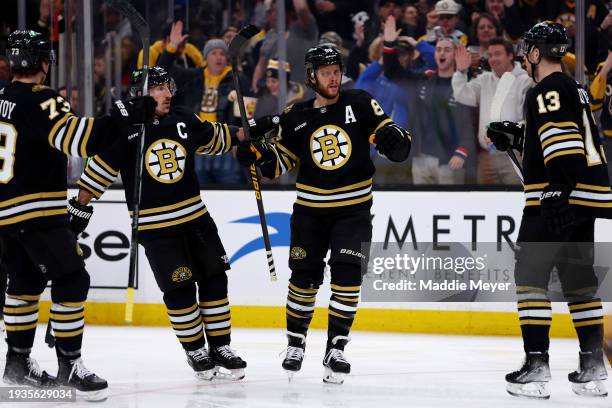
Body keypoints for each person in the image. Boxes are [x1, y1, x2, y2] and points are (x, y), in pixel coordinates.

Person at [236, 45, 411, 384]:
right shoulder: (296, 115)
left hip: (353, 212)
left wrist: (396, 140)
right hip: (310, 213)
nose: (333, 77)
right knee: (303, 279)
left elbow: (394, 144)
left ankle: (336, 348)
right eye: (326, 71)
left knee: (347, 279)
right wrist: (255, 154)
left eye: (336, 70)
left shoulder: (359, 103)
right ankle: (296, 344)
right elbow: (278, 164)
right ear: (311, 76)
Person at [0, 30, 154, 400]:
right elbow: (78, 140)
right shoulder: (42, 99)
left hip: (6, 211)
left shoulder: (2, 97)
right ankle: (70, 365)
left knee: (24, 284)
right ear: (42, 62)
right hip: (37, 209)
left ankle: (17, 362)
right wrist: (126, 113)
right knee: (72, 278)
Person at [74, 67, 247, 381]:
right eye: (158, 89)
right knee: (179, 289)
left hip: (196, 219)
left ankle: (221, 346)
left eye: (168, 87)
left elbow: (220, 136)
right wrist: (78, 208)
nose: (167, 94)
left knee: (214, 280)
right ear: (140, 93)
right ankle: (195, 349)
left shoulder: (183, 118)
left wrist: (253, 132)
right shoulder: (125, 128)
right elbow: (99, 171)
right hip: (156, 229)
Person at [488, 22, 610, 399]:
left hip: (557, 196)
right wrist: (521, 136)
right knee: (579, 282)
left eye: (528, 51)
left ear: (538, 53)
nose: (524, 57)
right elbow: (562, 134)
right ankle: (593, 369)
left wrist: (557, 189)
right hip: (585, 197)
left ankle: (536, 366)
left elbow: (563, 142)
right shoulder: (572, 87)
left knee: (529, 276)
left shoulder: (546, 88)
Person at [453, 37, 531, 185]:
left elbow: (528, 119)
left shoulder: (525, 80)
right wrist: (461, 71)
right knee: (485, 204)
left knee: (515, 200)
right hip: (487, 156)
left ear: (510, 55)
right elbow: (462, 95)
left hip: (514, 154)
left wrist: (503, 135)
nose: (493, 59)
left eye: (497, 54)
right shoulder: (484, 79)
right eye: (490, 55)